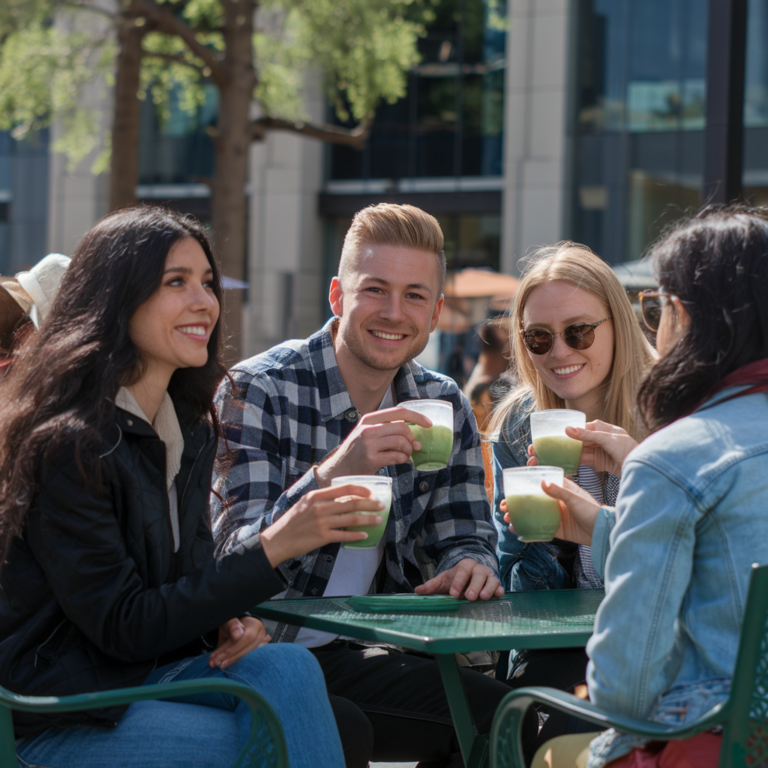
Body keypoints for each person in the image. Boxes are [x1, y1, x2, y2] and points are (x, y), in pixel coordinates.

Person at [0, 206, 378, 768]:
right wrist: (277, 543)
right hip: (55, 714)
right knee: (284, 739)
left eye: (207, 282)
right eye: (176, 282)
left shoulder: (187, 429)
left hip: (138, 675)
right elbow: (124, 625)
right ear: (115, 298)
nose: (205, 302)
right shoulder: (69, 443)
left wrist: (226, 621)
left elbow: (183, 582)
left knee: (289, 666)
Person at [212, 203, 514, 768]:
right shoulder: (258, 390)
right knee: (345, 726)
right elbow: (232, 561)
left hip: (364, 651)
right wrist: (337, 468)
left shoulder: (441, 401)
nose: (394, 312)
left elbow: (468, 533)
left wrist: (471, 564)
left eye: (415, 296)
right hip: (255, 655)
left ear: (435, 311)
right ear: (337, 296)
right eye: (375, 290)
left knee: (510, 721)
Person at [529, 204, 768, 767]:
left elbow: (624, 690)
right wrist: (606, 527)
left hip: (720, 745)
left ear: (681, 315)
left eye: (657, 305)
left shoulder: (673, 459)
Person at [487, 242, 655, 759]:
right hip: (564, 641)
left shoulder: (671, 413)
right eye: (539, 337)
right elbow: (518, 575)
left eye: (578, 332)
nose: (560, 351)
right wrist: (515, 531)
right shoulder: (519, 426)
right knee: (492, 725)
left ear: (617, 326)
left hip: (654, 637)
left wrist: (640, 465)